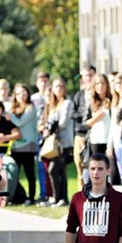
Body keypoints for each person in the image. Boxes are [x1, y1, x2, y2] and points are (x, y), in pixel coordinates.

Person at [41, 78, 74, 207]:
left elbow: (63, 122)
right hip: (54, 142)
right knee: (59, 171)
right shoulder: (52, 105)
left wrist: (50, 129)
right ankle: (61, 198)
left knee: (54, 169)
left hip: (63, 142)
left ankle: (59, 197)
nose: (58, 89)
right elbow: (48, 123)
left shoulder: (67, 103)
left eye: (61, 86)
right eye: (56, 86)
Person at [10, 83, 38, 205]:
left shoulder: (31, 108)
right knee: (15, 173)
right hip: (15, 145)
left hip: (27, 145)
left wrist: (9, 116)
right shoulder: (13, 109)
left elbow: (19, 123)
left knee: (29, 173)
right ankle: (16, 196)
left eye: (24, 93)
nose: (21, 96)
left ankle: (31, 198)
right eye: (18, 93)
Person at [83, 73, 112, 183]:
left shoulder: (111, 100)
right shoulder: (92, 102)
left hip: (109, 140)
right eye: (97, 83)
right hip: (96, 140)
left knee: (109, 170)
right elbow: (86, 123)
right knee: (97, 170)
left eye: (103, 83)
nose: (100, 86)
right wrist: (97, 117)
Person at [71, 66, 95, 188]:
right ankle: (81, 193)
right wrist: (83, 118)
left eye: (91, 75)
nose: (88, 78)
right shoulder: (79, 95)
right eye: (86, 76)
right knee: (79, 165)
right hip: (80, 134)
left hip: (94, 135)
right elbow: (73, 113)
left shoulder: (98, 95)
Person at [31, 71, 52, 204]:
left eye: (45, 80)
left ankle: (51, 193)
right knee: (40, 166)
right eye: (40, 81)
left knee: (50, 167)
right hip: (36, 136)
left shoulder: (52, 96)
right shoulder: (33, 99)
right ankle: (43, 193)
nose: (43, 83)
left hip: (49, 136)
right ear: (37, 83)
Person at [107, 72, 122, 186]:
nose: (118, 86)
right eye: (115, 83)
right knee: (121, 173)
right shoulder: (114, 102)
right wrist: (109, 145)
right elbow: (112, 126)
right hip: (116, 142)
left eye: (120, 83)